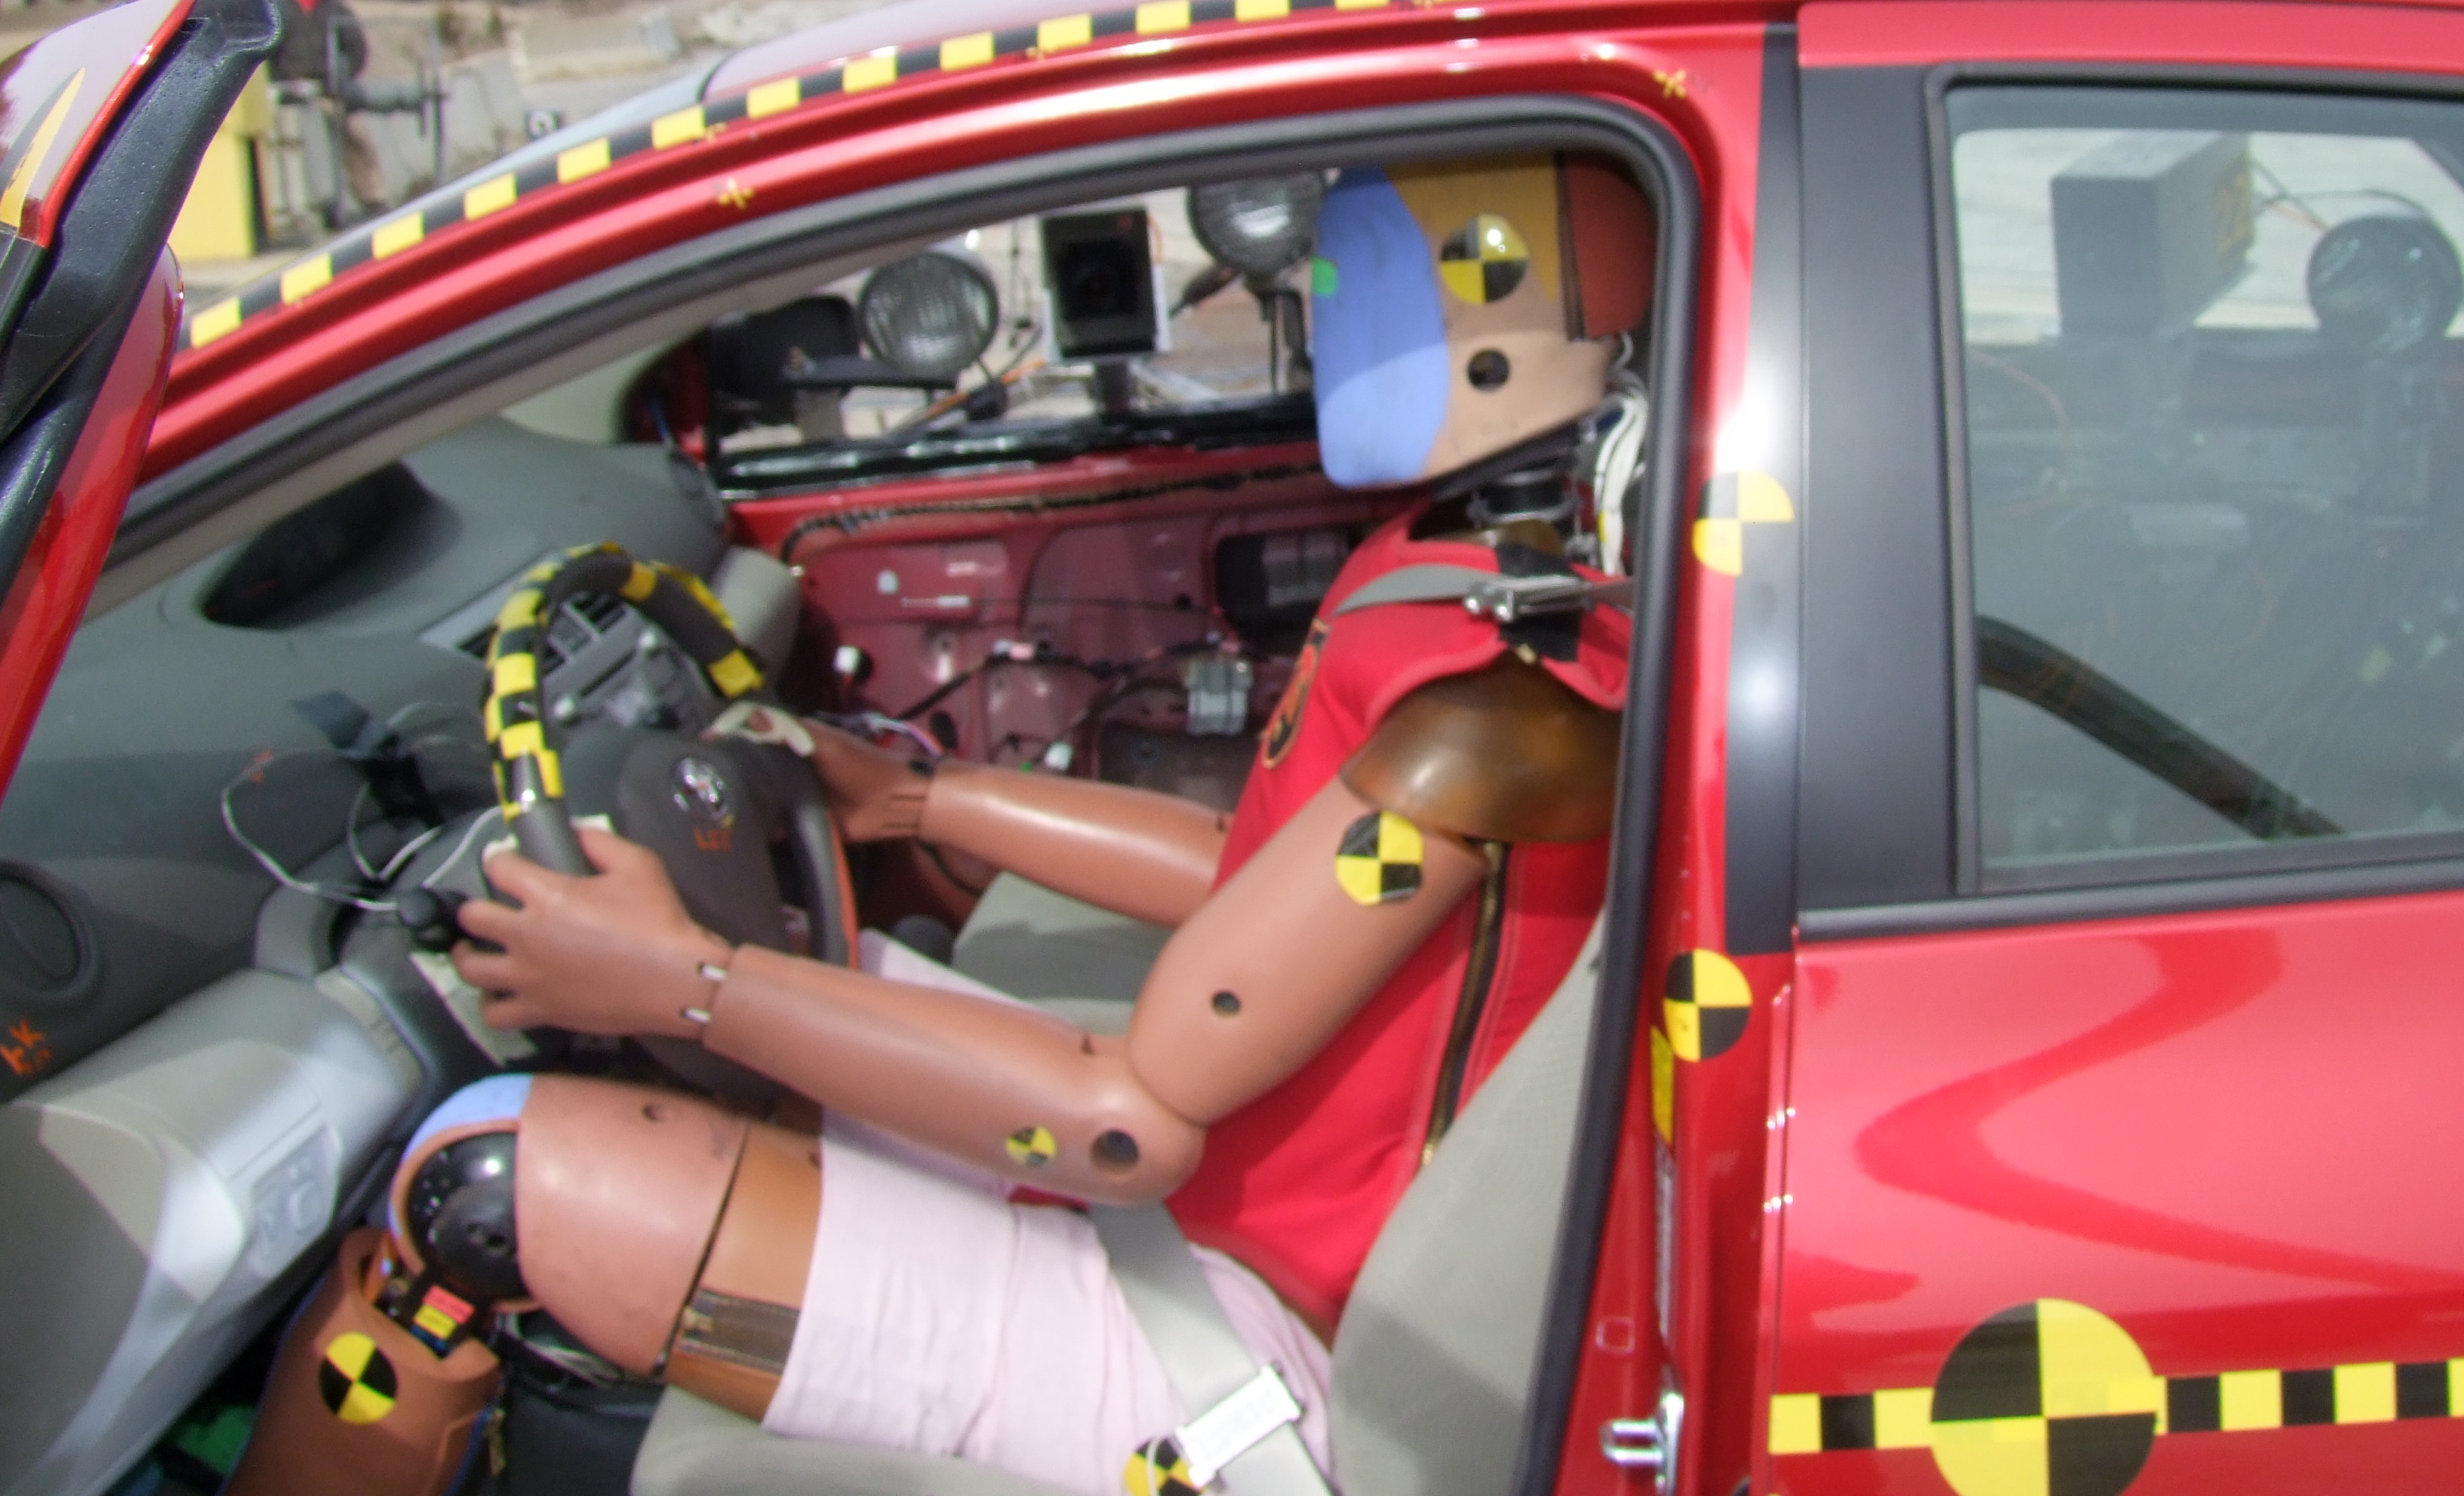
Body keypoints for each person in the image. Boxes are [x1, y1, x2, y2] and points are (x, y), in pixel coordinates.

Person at [227, 155, 1657, 1496]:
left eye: (1345, 275)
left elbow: (1121, 1129)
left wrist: (679, 981)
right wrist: (920, 798)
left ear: (1492, 303)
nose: (1319, 306)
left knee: (473, 1183)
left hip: (1239, 1341)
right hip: (1228, 1220)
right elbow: (1250, 874)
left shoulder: (1485, 720)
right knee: (786, 1026)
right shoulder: (1478, 593)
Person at [271, 0, 390, 214]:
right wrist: (282, 80)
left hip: (330, 92)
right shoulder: (281, 11)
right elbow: (270, 53)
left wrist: (340, 79)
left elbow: (357, 49)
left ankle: (373, 198)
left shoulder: (337, 8)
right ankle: (307, 207)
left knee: (356, 138)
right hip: (291, 93)